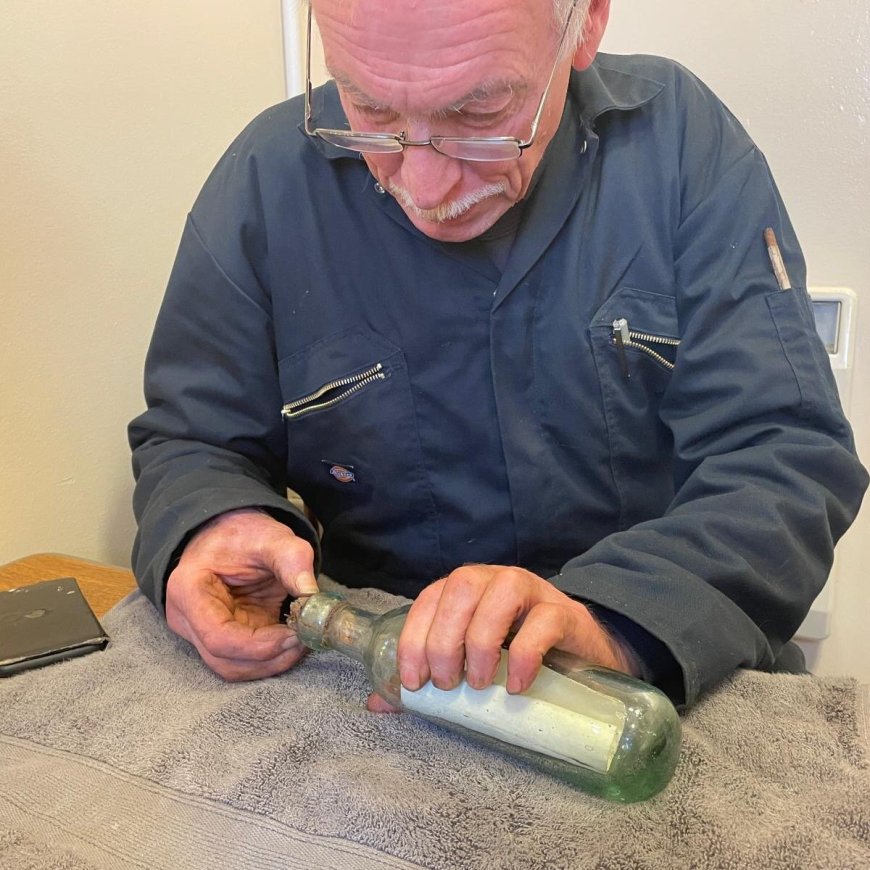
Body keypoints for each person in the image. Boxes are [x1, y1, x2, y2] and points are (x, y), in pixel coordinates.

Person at [129, 0, 867, 709]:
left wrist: (611, 621)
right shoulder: (268, 177)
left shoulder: (680, 143)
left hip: (648, 671)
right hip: (380, 689)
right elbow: (193, 440)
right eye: (372, 112)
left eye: (479, 116)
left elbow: (785, 456)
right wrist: (210, 524)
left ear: (586, 22)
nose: (422, 187)